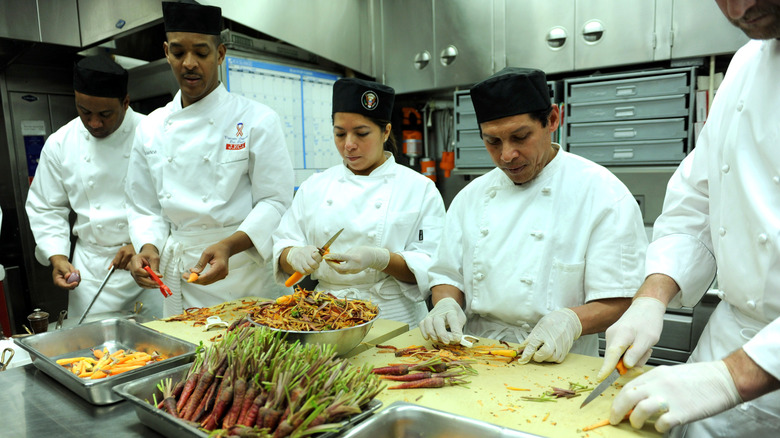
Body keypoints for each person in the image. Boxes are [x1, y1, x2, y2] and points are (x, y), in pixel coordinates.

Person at [597, 1, 780, 435]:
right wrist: (652, 296)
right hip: (728, 342)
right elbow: (699, 198)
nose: (738, 7)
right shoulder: (744, 64)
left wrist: (731, 377)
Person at [420, 67, 648, 363]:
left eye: (520, 136)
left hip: (557, 360)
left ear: (553, 119)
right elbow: (448, 274)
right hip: (474, 356)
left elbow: (622, 297)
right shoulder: (471, 196)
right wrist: (446, 303)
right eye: (492, 141)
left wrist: (571, 321)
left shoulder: (602, 194)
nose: (506, 155)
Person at [126, 1, 294, 316]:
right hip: (182, 278)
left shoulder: (257, 119)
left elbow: (276, 201)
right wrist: (148, 248)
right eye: (178, 53)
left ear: (220, 54)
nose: (189, 63)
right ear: (166, 52)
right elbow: (144, 207)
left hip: (244, 273)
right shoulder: (150, 127)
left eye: (201, 53)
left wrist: (229, 246)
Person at [272, 78, 445, 327]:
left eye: (362, 133)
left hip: (394, 318)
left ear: (386, 131)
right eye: (340, 134)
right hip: (324, 315)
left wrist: (381, 259)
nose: (349, 145)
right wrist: (294, 255)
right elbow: (283, 248)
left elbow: (433, 266)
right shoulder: (316, 186)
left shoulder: (419, 188)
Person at [25, 55, 160, 319]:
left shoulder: (153, 133)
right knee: (90, 353)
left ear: (126, 102)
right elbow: (45, 207)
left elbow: (172, 202)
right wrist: (58, 257)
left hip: (147, 268)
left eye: (105, 114)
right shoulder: (61, 142)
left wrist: (143, 242)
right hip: (90, 272)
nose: (94, 123)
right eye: (85, 112)